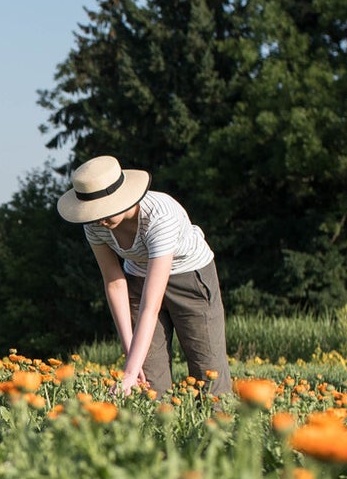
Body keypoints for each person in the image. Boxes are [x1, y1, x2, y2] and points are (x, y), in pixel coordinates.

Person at [57, 155, 230, 398]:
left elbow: (152, 305)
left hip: (190, 280)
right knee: (147, 380)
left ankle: (217, 432)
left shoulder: (160, 216)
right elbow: (114, 282)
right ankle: (158, 433)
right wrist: (131, 361)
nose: (99, 219)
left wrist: (129, 371)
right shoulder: (94, 224)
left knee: (208, 371)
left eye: (104, 210)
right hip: (138, 279)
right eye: (93, 212)